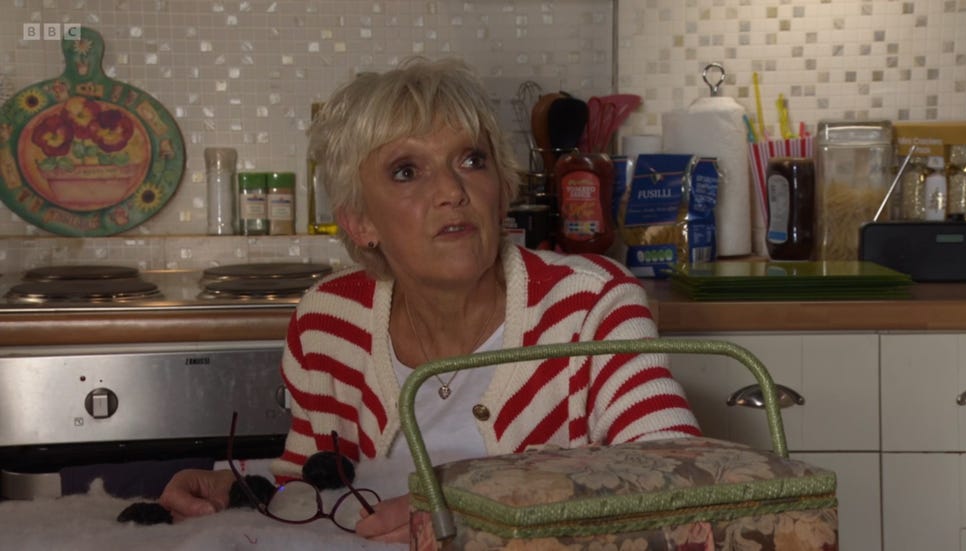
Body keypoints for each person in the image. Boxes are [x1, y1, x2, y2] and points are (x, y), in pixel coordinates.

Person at [159, 57, 700, 544]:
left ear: (501, 189)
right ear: (360, 221)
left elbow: (681, 486)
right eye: (406, 171)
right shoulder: (327, 320)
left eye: (471, 161)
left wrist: (480, 514)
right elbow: (314, 488)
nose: (452, 191)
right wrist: (238, 489)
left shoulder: (592, 304)